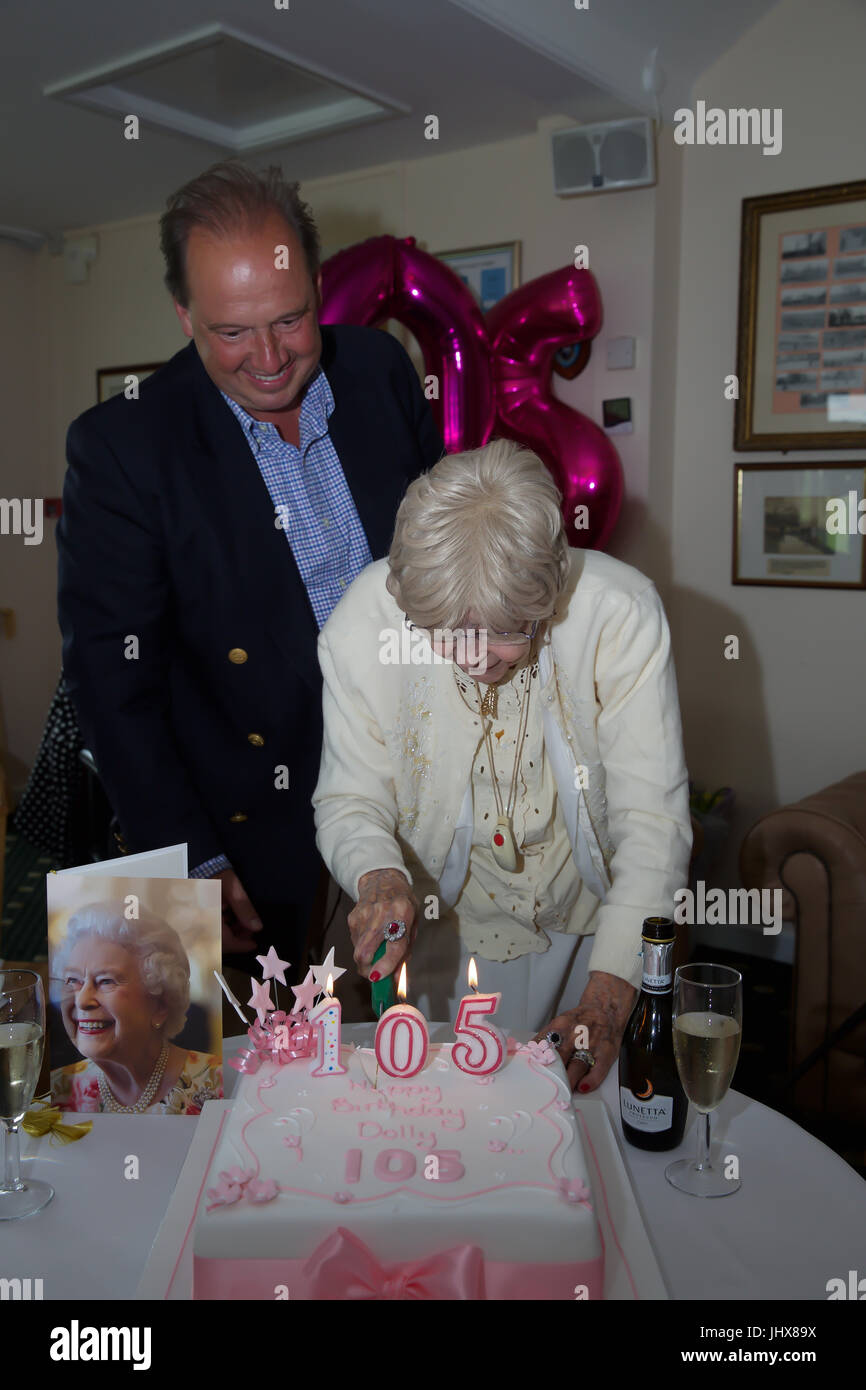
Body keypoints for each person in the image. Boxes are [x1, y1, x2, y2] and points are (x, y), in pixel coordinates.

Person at [57, 161, 444, 975]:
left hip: (422, 794)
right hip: (249, 838)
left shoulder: (378, 370)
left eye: (291, 319)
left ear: (314, 285)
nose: (269, 357)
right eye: (231, 331)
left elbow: (442, 561)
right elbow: (113, 684)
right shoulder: (124, 447)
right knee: (261, 1088)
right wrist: (189, 855)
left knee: (426, 1067)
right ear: (184, 314)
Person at [312, 438, 692, 1092]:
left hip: (590, 929)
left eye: (510, 629)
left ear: (549, 587)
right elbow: (350, 800)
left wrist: (607, 999)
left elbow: (652, 819)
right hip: (436, 930)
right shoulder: (357, 626)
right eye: (449, 634)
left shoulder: (618, 611)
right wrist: (376, 877)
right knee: (440, 1120)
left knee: (579, 1136)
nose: (479, 660)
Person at [51, 904, 220, 1114]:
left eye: (106, 981)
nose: (82, 1000)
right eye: (73, 980)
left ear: (160, 1005)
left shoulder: (217, 1085)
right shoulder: (55, 1091)